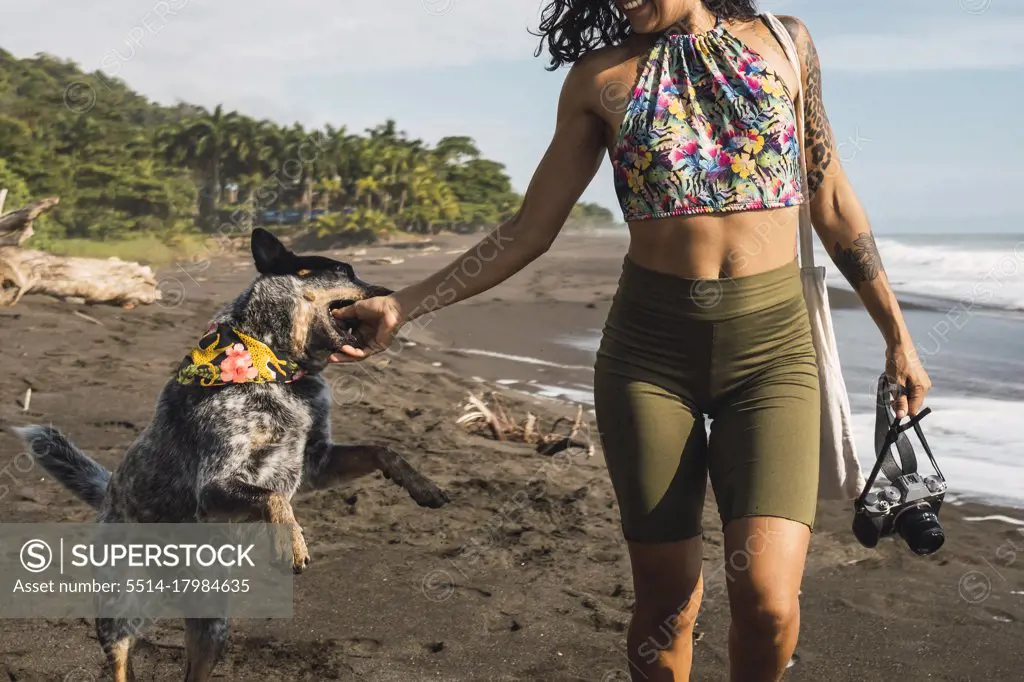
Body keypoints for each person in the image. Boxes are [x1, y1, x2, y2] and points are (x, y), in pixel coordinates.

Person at [329, 1, 932, 680]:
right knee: (668, 602)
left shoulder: (785, 44)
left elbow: (831, 198)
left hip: (773, 357)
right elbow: (530, 229)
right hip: (650, 360)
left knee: (766, 601)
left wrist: (898, 338)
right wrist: (405, 304)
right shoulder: (600, 79)